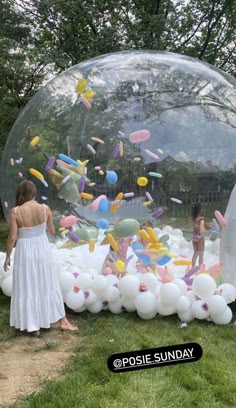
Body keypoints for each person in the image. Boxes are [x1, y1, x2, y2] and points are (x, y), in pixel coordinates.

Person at [3, 180, 77, 336]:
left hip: (25, 250)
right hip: (42, 248)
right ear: (34, 193)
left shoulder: (16, 211)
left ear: (21, 194)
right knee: (48, 281)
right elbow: (51, 231)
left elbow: (12, 237)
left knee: (28, 284)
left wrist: (8, 256)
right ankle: (63, 321)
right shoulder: (45, 209)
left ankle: (33, 325)